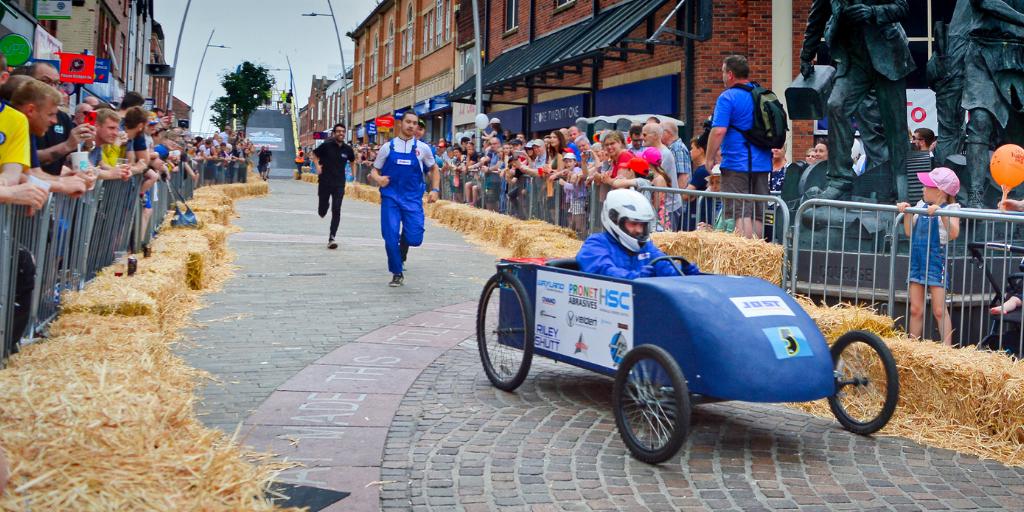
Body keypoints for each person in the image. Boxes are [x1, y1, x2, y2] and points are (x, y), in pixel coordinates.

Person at [370, 111, 441, 287]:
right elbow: (374, 170)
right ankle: (397, 272)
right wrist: (379, 179)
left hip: (412, 199)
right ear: (401, 123)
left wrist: (435, 189)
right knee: (390, 236)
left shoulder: (423, 149)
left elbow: (434, 169)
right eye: (408, 122)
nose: (411, 125)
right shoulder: (388, 147)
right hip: (391, 197)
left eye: (414, 123)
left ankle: (403, 243)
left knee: (415, 237)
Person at [706, 55, 773, 239]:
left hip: (737, 163)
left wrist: (709, 157)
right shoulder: (761, 94)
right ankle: (759, 256)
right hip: (762, 163)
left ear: (730, 74)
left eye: (722, 71)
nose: (721, 76)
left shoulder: (727, 97)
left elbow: (718, 131)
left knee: (740, 211)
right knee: (758, 213)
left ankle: (745, 260)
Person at [897, 167, 961, 346]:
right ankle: (912, 347)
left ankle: (947, 351)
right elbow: (909, 232)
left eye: (926, 186)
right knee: (916, 308)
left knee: (939, 310)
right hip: (917, 262)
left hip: (935, 262)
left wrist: (942, 214)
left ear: (940, 190)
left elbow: (954, 233)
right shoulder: (920, 206)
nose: (923, 189)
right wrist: (906, 213)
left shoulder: (952, 208)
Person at [576, 189, 699, 279]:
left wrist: (682, 273)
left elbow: (665, 268)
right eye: (633, 224)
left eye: (642, 225)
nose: (639, 230)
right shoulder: (596, 244)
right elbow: (603, 271)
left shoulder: (646, 247)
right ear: (614, 219)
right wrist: (636, 278)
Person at [312, 124, 356, 249]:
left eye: (343, 131)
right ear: (334, 133)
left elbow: (353, 161)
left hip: (339, 183)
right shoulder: (326, 145)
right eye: (338, 131)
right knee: (322, 209)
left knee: (336, 209)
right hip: (325, 181)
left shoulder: (348, 149)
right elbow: (314, 155)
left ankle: (332, 237)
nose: (341, 133)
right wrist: (318, 166)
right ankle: (323, 207)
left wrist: (353, 176)